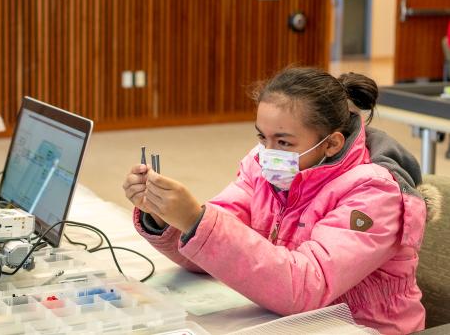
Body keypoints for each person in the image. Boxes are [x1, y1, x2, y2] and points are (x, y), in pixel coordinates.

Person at [123, 67, 432, 334]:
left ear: (332, 142)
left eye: (283, 142)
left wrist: (195, 219)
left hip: (363, 328)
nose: (267, 153)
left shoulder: (375, 194)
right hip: (294, 321)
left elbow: (305, 287)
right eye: (262, 138)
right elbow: (210, 251)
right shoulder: (262, 166)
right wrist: (166, 217)